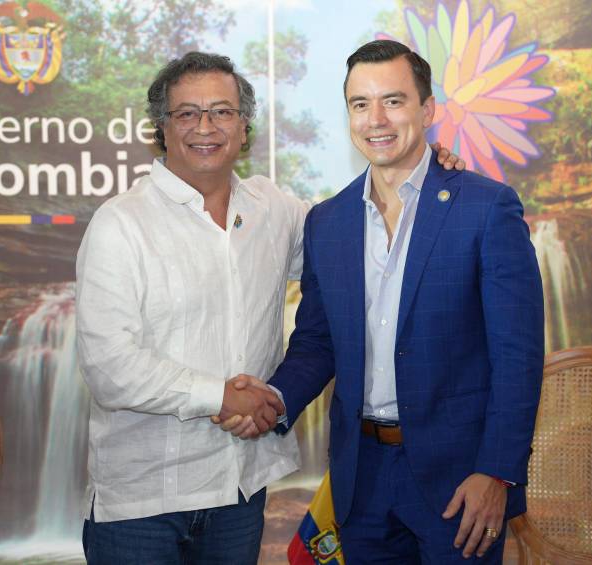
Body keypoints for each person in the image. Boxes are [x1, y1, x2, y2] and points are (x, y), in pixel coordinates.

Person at [76, 50, 464, 564]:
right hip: (143, 502)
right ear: (161, 128)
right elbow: (109, 368)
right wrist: (218, 396)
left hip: (240, 490)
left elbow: (360, 235)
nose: (205, 127)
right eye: (187, 113)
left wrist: (424, 168)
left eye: (222, 111)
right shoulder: (119, 224)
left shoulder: (274, 209)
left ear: (244, 128)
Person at [219, 39, 544, 563]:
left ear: (427, 108)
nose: (377, 119)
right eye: (360, 104)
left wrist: (498, 472)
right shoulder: (327, 221)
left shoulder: (486, 208)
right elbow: (319, 341)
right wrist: (274, 399)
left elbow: (518, 357)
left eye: (393, 100)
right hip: (361, 478)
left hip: (461, 481)